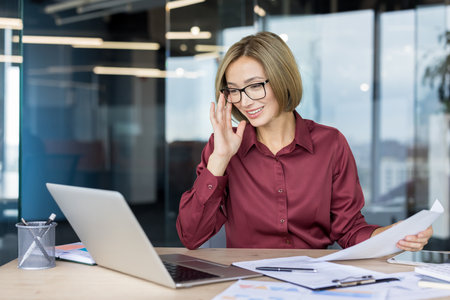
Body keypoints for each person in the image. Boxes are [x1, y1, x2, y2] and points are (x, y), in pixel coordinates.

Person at [176, 31, 432, 251]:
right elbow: (191, 236)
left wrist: (393, 235)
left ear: (282, 79)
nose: (244, 101)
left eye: (255, 86)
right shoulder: (222, 147)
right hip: (246, 284)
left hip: (313, 284)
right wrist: (220, 160)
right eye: (234, 90)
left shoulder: (330, 143)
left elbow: (349, 230)